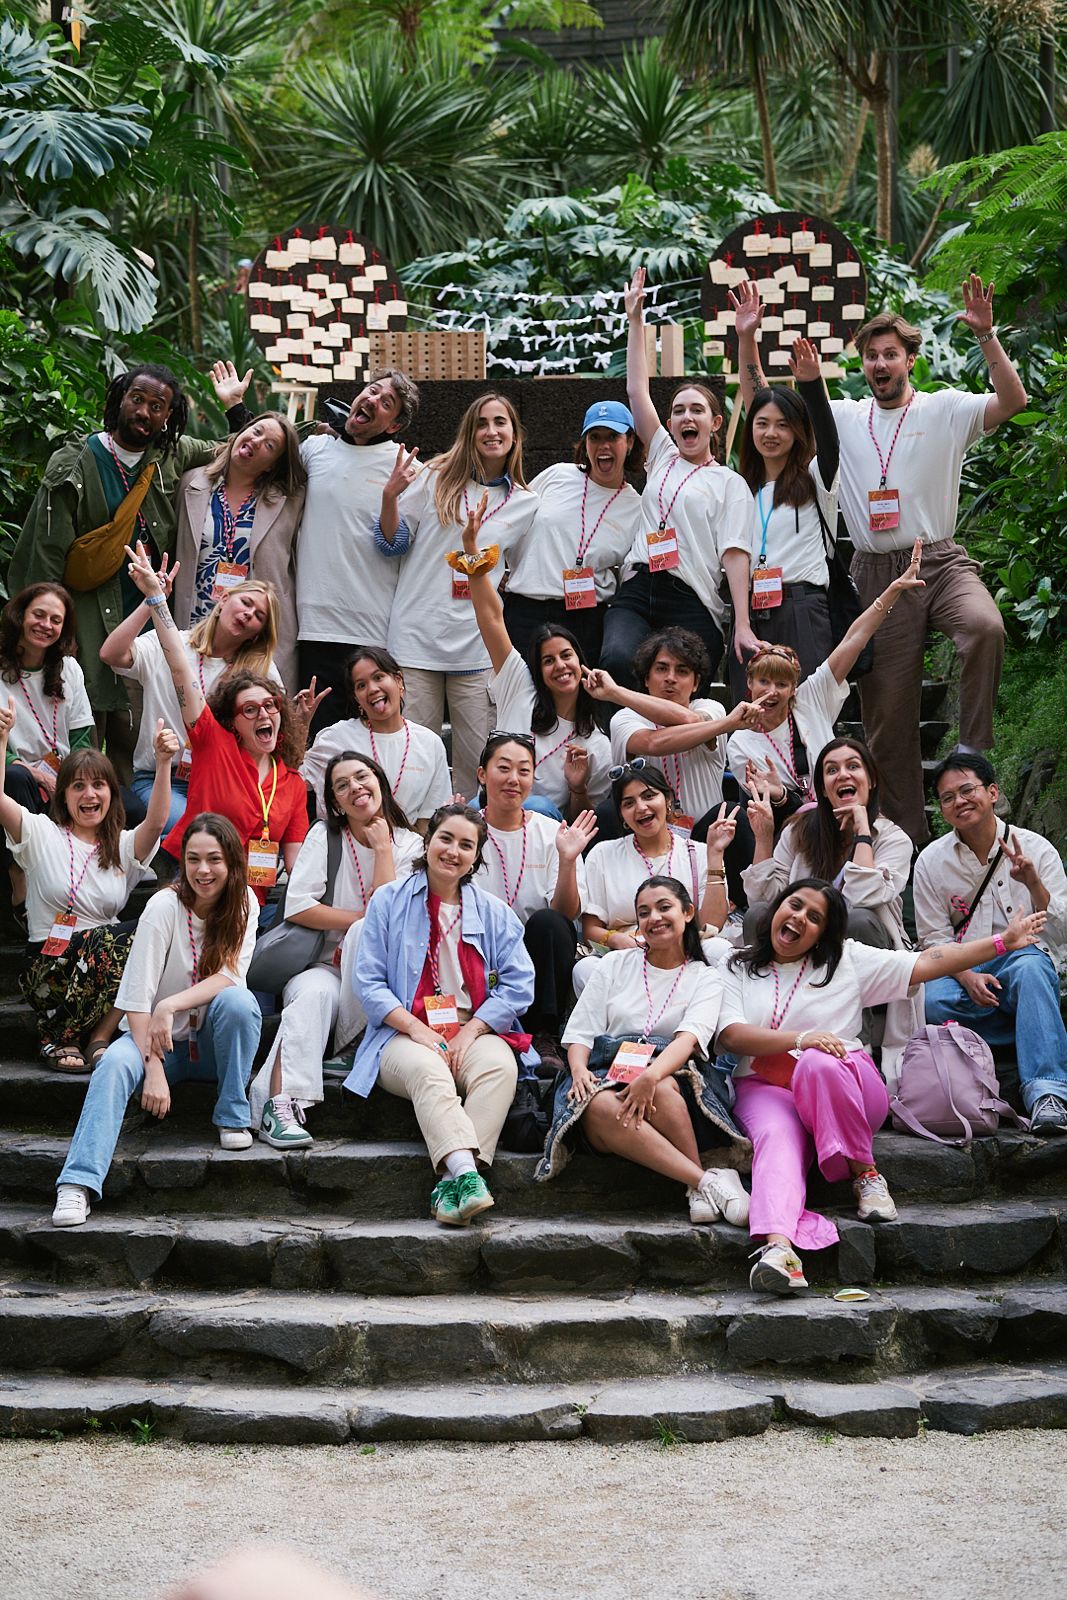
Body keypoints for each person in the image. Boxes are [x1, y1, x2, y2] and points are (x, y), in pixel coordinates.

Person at [734, 276, 1028, 843]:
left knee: (985, 625)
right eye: (870, 355)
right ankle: (911, 848)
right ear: (863, 365)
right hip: (872, 568)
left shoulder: (945, 408)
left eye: (890, 353)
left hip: (937, 557)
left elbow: (1013, 400)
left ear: (909, 359)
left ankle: (972, 749)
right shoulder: (841, 417)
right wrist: (749, 342)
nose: (879, 363)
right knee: (889, 727)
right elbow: (762, 411)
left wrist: (988, 337)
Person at [717, 878, 1046, 1293]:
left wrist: (1001, 942)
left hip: (846, 1083)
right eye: (794, 906)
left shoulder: (847, 960)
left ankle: (866, 1174)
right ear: (777, 909)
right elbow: (731, 1035)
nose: (799, 918)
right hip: (766, 1087)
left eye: (813, 917)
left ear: (824, 933)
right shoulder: (736, 965)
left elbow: (928, 961)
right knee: (777, 1139)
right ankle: (778, 1252)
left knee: (819, 1063)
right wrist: (801, 1039)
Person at [9, 361, 246, 775]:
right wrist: (43, 631)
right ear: (120, 399)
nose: (144, 412)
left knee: (138, 733)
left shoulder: (171, 454)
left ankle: (131, 831)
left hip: (145, 619)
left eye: (158, 406)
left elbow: (243, 448)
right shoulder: (75, 462)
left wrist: (235, 409)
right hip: (82, 617)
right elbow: (44, 557)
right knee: (78, 723)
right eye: (137, 399)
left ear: (168, 416)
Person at [51, 812, 261, 1228]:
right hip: (155, 1043)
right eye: (194, 859)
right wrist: (152, 1067)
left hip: (211, 1046)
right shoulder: (163, 906)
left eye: (215, 859)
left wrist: (171, 1006)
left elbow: (231, 976)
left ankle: (233, 1114)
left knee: (240, 1003)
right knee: (111, 1064)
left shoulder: (246, 902)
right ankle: (77, 1184)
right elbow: (136, 995)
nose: (204, 870)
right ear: (181, 862)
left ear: (233, 862)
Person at [343, 804, 535, 1226]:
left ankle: (450, 1183)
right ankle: (468, 1174)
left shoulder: (494, 911)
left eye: (466, 845)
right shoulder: (389, 901)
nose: (453, 851)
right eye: (445, 839)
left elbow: (520, 983)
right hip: (401, 1033)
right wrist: (416, 1029)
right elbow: (370, 984)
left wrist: (472, 1032)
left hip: (473, 1025)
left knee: (500, 1067)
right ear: (428, 842)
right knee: (429, 1071)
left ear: (476, 857)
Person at [212, 362, 420, 735]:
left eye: (386, 402)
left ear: (393, 425)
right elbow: (266, 458)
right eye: (372, 390)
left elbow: (395, 546)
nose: (373, 400)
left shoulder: (407, 470)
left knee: (369, 744)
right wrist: (236, 411)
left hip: (373, 631)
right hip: (313, 627)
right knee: (311, 739)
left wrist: (390, 495)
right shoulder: (315, 449)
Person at [536, 875, 748, 1222]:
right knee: (598, 1103)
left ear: (688, 912)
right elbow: (581, 1032)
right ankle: (704, 1182)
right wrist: (577, 1071)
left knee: (662, 1088)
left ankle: (697, 1182)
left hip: (676, 1075)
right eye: (644, 912)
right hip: (606, 1071)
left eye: (664, 908)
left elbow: (688, 1039)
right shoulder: (615, 964)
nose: (654, 918)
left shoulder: (705, 976)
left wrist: (650, 1075)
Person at [248, 752, 422, 1147]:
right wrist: (356, 922)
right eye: (342, 785)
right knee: (310, 995)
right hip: (322, 964)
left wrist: (382, 850)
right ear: (335, 802)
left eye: (361, 777)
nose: (355, 788)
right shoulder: (324, 836)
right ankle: (280, 1104)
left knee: (367, 930)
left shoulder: (412, 845)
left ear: (379, 779)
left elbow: (392, 920)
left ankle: (350, 1045)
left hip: (385, 979)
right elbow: (299, 906)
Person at [123, 543, 313, 896]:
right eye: (249, 710)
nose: (264, 713)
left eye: (271, 706)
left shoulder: (290, 784)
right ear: (233, 721)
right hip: (197, 900)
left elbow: (297, 867)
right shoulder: (215, 744)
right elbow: (179, 665)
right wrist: (155, 598)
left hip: (251, 907)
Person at [375, 394, 539, 801]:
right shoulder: (435, 478)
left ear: (515, 435)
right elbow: (391, 543)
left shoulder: (526, 503)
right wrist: (390, 497)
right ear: (469, 432)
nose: (491, 431)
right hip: (416, 643)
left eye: (501, 422)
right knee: (412, 764)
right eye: (482, 423)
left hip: (476, 650)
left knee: (477, 768)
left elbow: (520, 574)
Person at [0, 699, 178, 1072]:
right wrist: (2, 740)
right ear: (63, 795)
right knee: (132, 935)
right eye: (78, 786)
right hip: (50, 964)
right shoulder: (40, 833)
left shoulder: (122, 846)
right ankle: (59, 1033)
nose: (89, 795)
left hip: (104, 970)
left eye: (98, 785)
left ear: (112, 794)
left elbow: (157, 822)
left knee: (153, 927)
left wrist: (163, 763)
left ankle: (99, 1034)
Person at [599, 267, 755, 691]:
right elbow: (636, 391)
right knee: (614, 659)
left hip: (691, 596)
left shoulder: (728, 483)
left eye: (697, 410)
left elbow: (736, 556)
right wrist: (635, 319)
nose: (688, 417)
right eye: (680, 411)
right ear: (669, 423)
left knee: (686, 680)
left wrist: (741, 623)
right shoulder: (664, 454)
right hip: (639, 586)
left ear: (715, 422)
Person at [742, 737, 920, 1086]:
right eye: (831, 769)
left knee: (857, 920)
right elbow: (765, 900)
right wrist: (763, 837)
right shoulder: (799, 829)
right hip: (800, 951)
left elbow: (864, 896)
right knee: (757, 917)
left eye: (853, 766)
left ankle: (862, 1050)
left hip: (864, 950)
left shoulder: (894, 839)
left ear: (871, 780)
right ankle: (765, 1036)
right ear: (822, 788)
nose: (843, 775)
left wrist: (862, 831)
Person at [914, 753, 1067, 1135]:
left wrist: (1032, 881)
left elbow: (1061, 932)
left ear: (992, 792)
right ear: (943, 809)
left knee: (1032, 972)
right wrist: (966, 976)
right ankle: (1029, 1025)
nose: (959, 801)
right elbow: (934, 938)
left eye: (967, 790)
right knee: (931, 1000)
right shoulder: (931, 862)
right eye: (948, 797)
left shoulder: (1036, 848)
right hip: (964, 966)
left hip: (1021, 960)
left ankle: (1047, 1093)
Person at [725, 541, 926, 809]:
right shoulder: (740, 742)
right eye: (764, 681)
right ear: (749, 683)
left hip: (838, 809)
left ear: (795, 688)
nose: (772, 691)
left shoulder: (811, 699)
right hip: (785, 825)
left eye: (782, 683)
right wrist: (783, 797)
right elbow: (765, 805)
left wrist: (892, 591)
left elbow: (854, 639)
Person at [584, 628, 771, 899]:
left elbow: (692, 722)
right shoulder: (624, 718)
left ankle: (744, 908)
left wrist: (615, 692)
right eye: (661, 669)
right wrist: (617, 695)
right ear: (646, 678)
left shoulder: (711, 709)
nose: (671, 678)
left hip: (703, 837)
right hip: (642, 835)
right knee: (606, 813)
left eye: (682, 671)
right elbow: (652, 744)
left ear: (696, 683)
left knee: (731, 813)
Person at [459, 496, 612, 816]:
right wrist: (472, 553)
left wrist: (577, 786)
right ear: (538, 671)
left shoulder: (595, 742)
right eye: (548, 660)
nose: (560, 666)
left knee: (539, 806)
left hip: (543, 833)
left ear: (581, 662)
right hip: (489, 818)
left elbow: (581, 819)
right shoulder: (520, 686)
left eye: (566, 655)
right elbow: (492, 618)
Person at [101, 572, 284, 835]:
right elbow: (111, 654)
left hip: (224, 782)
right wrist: (153, 600)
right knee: (198, 833)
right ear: (223, 599)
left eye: (259, 616)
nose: (248, 614)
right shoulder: (170, 641)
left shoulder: (260, 669)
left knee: (229, 834)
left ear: (258, 634)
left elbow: (279, 729)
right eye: (246, 603)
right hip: (162, 779)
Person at [726, 303, 840, 694]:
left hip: (802, 607)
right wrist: (745, 338)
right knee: (750, 712)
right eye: (762, 424)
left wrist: (810, 384)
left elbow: (827, 436)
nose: (770, 433)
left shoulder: (815, 477)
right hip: (753, 610)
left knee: (806, 705)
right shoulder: (742, 488)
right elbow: (757, 396)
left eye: (783, 425)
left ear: (796, 433)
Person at [473, 731, 597, 1070]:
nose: (514, 779)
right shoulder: (466, 830)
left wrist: (568, 860)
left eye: (524, 770)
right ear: (482, 774)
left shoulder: (550, 831)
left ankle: (544, 1034)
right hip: (480, 947)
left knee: (550, 923)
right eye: (504, 768)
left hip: (535, 952)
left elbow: (568, 913)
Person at [170, 411, 306, 689]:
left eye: (270, 445)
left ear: (272, 465)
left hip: (252, 631)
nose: (257, 442)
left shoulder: (290, 500)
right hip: (197, 623)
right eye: (256, 431)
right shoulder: (190, 484)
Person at [503, 399, 644, 664]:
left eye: (613, 436)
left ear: (631, 442)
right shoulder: (557, 475)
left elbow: (629, 571)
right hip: (524, 608)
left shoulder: (636, 507)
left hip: (584, 617)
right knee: (519, 697)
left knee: (578, 701)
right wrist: (499, 567)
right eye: (595, 437)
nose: (603, 446)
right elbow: (511, 521)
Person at [579, 764, 735, 983]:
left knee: (720, 949)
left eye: (649, 796)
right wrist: (615, 939)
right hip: (629, 952)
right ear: (622, 815)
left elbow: (713, 925)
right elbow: (590, 929)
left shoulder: (699, 852)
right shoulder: (602, 854)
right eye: (629, 803)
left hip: (687, 949)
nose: (641, 807)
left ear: (668, 800)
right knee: (585, 968)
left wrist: (716, 855)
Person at [0, 583, 93, 924]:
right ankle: (19, 884)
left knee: (125, 803)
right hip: (12, 775)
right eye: (38, 614)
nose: (45, 625)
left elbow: (82, 739)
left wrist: (71, 780)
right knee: (17, 778)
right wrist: (30, 769)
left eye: (56, 619)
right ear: (20, 615)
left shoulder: (69, 669)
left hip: (61, 776)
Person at [301, 645, 450, 830]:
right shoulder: (336, 737)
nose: (372, 689)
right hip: (346, 849)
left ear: (399, 681)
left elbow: (428, 820)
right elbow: (294, 780)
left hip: (405, 851)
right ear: (356, 699)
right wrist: (300, 725)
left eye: (379, 677)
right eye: (361, 685)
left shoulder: (430, 743)